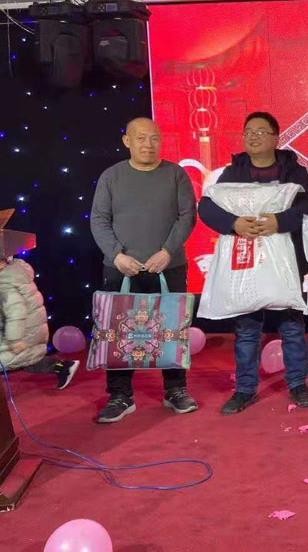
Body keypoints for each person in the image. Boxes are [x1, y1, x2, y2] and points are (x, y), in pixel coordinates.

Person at [198, 112, 308, 415]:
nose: (253, 137)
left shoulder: (292, 170)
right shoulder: (233, 172)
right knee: (247, 329)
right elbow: (206, 206)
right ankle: (245, 389)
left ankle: (297, 383)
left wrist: (279, 221)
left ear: (276, 138)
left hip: (286, 259)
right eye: (248, 132)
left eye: (260, 132)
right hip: (246, 261)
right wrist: (234, 223)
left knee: (291, 326)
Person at [90, 117, 197, 423]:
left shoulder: (175, 174)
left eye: (154, 138)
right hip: (121, 269)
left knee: (171, 330)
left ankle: (175, 390)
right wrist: (116, 255)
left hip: (168, 266)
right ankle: (120, 395)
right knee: (118, 332)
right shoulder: (111, 176)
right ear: (127, 141)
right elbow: (99, 219)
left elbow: (188, 215)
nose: (148, 145)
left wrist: (167, 252)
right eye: (140, 138)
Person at [0, 254, 78, 389]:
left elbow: (16, 313)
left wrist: (14, 340)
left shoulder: (5, 283)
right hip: (28, 330)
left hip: (22, 333)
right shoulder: (16, 272)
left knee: (16, 359)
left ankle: (63, 367)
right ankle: (62, 367)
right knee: (28, 359)